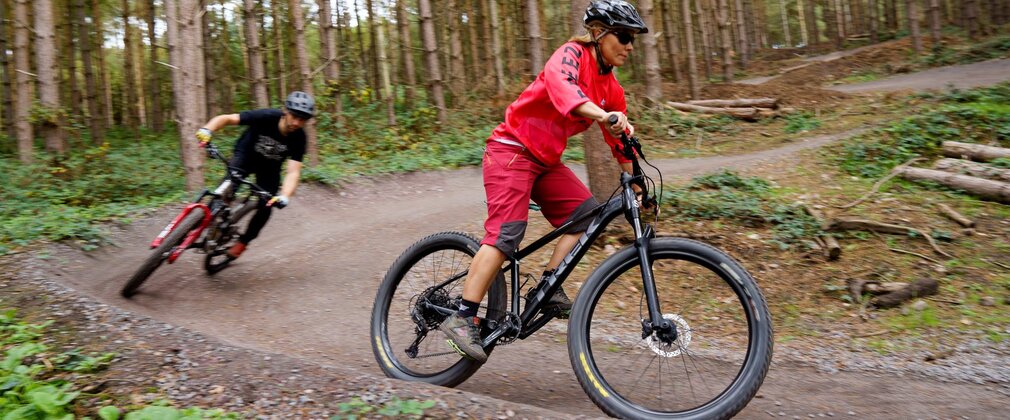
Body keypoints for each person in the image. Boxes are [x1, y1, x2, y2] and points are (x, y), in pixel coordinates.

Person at [439, 0, 648, 362]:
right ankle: (462, 316)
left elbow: (619, 138)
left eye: (633, 40)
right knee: (507, 234)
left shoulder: (611, 86)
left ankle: (548, 287)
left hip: (545, 160)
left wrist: (636, 177)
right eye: (625, 37)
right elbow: (565, 88)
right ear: (598, 33)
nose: (630, 46)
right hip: (511, 151)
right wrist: (603, 115)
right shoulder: (571, 54)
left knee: (586, 217)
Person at [194, 91, 314, 260]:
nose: (296, 122)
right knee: (226, 188)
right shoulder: (267, 116)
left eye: (302, 119)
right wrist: (207, 129)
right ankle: (201, 221)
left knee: (267, 205)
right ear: (285, 111)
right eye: (294, 116)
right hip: (246, 156)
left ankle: (244, 242)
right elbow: (228, 118)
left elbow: (293, 171)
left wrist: (285, 195)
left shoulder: (299, 139)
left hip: (270, 169)